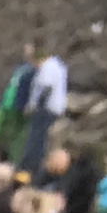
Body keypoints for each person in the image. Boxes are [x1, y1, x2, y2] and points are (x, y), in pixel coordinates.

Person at [20, 44, 67, 173]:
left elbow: (46, 86)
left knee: (36, 140)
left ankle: (30, 169)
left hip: (45, 109)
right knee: (41, 139)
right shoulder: (58, 65)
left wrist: (34, 105)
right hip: (55, 108)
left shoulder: (48, 67)